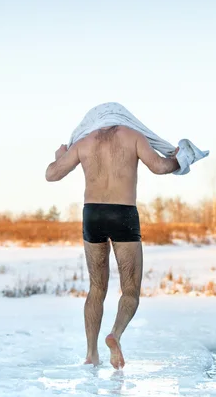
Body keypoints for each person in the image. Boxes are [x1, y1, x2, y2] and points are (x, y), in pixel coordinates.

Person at [45, 125, 180, 369]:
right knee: (130, 290)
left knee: (96, 287)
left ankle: (90, 354)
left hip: (92, 214)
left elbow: (51, 174)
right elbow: (160, 167)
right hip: (123, 213)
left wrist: (60, 157)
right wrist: (179, 160)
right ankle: (115, 335)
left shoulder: (84, 142)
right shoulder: (133, 135)